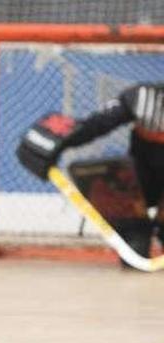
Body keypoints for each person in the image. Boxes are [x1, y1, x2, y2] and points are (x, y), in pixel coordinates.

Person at [17, 82, 164, 259]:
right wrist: (57, 140)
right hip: (144, 180)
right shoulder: (142, 98)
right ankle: (134, 232)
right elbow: (96, 124)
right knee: (132, 238)